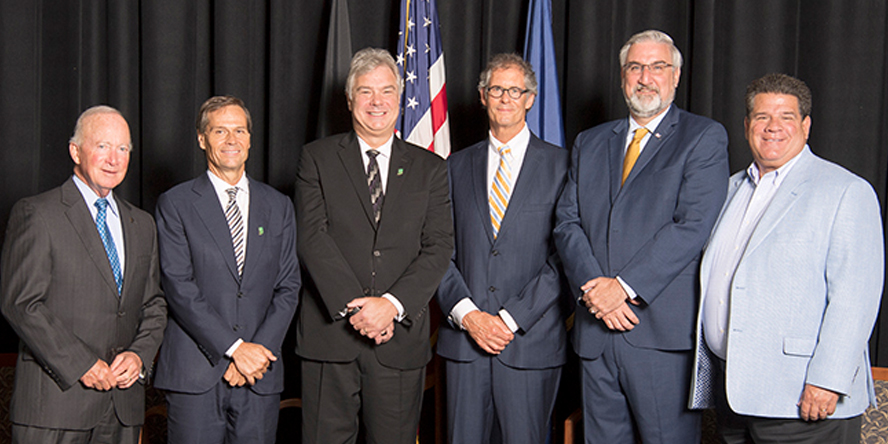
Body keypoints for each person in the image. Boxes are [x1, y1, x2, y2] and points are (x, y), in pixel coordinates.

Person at [553, 29, 729, 443]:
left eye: (657, 67)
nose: (645, 76)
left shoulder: (703, 137)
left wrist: (624, 289)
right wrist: (597, 291)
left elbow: (692, 226)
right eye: (635, 67)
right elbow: (566, 221)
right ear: (622, 77)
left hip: (658, 337)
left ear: (676, 76)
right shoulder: (590, 142)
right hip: (595, 332)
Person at [689, 73, 884, 443]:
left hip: (804, 401)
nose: (772, 127)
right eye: (762, 117)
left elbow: (856, 298)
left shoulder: (846, 191)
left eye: (786, 117)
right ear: (747, 126)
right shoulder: (728, 189)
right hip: (734, 396)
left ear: (806, 126)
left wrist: (828, 381)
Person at [295, 47, 453, 444]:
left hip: (398, 341)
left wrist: (391, 307)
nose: (377, 102)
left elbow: (438, 246)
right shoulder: (316, 158)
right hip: (330, 340)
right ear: (350, 100)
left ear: (400, 99)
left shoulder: (430, 169)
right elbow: (313, 237)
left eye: (386, 91)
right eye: (366, 92)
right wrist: (358, 307)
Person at [0, 106, 167, 443]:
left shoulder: (142, 224)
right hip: (55, 407)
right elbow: (21, 303)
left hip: (121, 411)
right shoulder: (37, 213)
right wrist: (82, 364)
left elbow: (154, 304)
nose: (113, 159)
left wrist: (139, 355)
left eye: (123, 149)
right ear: (76, 151)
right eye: (102, 146)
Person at [435, 53, 569, 444]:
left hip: (530, 344)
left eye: (515, 90)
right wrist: (470, 316)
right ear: (482, 96)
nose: (506, 98)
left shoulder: (563, 166)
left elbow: (565, 256)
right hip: (465, 343)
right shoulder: (452, 167)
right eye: (497, 89)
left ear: (530, 98)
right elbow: (437, 249)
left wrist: (509, 319)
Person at [153, 95, 301, 443]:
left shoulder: (278, 206)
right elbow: (178, 285)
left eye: (239, 130)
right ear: (202, 139)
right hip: (196, 376)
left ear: (250, 138)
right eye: (220, 131)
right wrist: (235, 349)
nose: (231, 140)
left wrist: (256, 353)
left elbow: (288, 285)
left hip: (259, 376)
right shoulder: (176, 204)